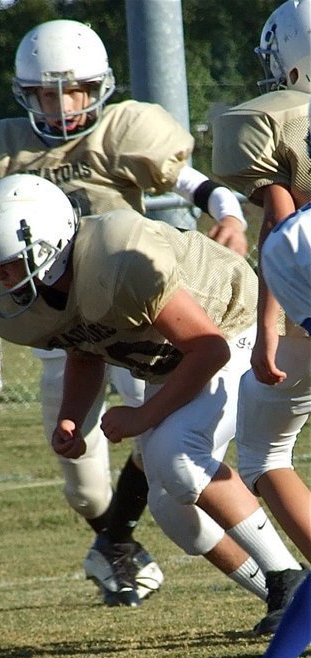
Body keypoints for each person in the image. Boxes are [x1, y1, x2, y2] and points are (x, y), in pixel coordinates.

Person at [0, 19, 250, 607]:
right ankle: (117, 539)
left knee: (158, 444)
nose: (62, 105)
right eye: (47, 93)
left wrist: (232, 216)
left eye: (72, 90)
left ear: (98, 87)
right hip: (56, 324)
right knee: (81, 480)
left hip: (131, 312)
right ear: (25, 94)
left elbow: (205, 190)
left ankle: (233, 570)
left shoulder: (121, 133)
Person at [0, 173, 307, 630]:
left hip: (231, 327)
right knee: (169, 507)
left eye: (6, 264)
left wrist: (144, 416)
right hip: (176, 362)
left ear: (46, 248)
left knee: (176, 454)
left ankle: (289, 581)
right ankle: (287, 605)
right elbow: (83, 350)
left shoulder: (115, 258)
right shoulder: (41, 293)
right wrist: (70, 419)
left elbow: (209, 348)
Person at [212, 0, 311, 611]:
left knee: (264, 454)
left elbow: (283, 231)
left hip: (304, 307)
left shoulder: (277, 123)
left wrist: (268, 326)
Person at [210, 203, 311, 658]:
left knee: (263, 456)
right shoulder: (294, 241)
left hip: (291, 345)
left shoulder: (292, 239)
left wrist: (268, 332)